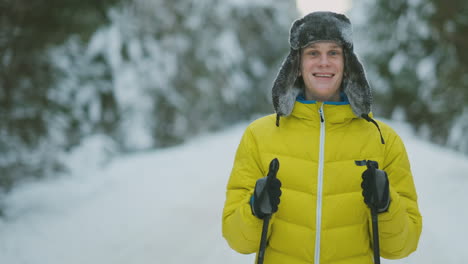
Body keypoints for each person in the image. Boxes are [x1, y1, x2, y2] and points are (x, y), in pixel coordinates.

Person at [222, 11, 422, 264]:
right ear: (298, 63)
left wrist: (386, 205)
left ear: (347, 62)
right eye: (313, 52)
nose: (324, 62)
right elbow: (238, 241)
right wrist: (254, 209)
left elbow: (402, 247)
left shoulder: (383, 140)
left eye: (334, 53)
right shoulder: (259, 136)